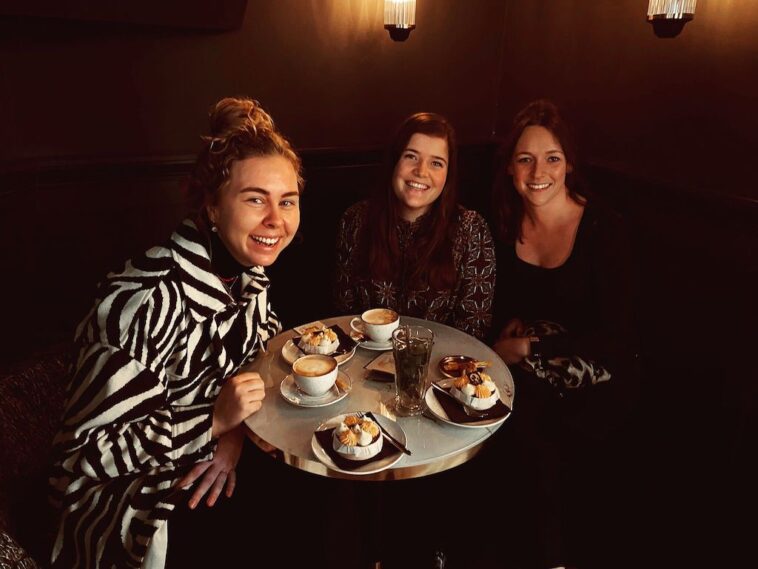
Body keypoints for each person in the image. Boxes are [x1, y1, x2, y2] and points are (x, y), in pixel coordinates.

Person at [49, 97, 302, 569]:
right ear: (212, 205)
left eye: (287, 200)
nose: (276, 219)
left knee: (312, 491)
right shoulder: (142, 303)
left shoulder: (248, 276)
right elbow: (83, 457)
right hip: (128, 506)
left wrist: (233, 435)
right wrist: (213, 423)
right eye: (255, 199)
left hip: (206, 456)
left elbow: (263, 351)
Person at [488, 99, 639, 568]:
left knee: (535, 432)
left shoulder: (603, 229)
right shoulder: (505, 220)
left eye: (552, 158)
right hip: (532, 371)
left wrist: (529, 346)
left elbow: (616, 337)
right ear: (510, 167)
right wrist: (510, 327)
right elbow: (510, 300)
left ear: (569, 164)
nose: (539, 172)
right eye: (525, 159)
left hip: (600, 377)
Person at [334, 112, 495, 340]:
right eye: (411, 156)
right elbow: (344, 314)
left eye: (436, 163)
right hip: (365, 357)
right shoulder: (355, 220)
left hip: (441, 359)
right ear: (394, 162)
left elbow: (473, 328)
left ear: (448, 175)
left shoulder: (471, 229)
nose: (421, 171)